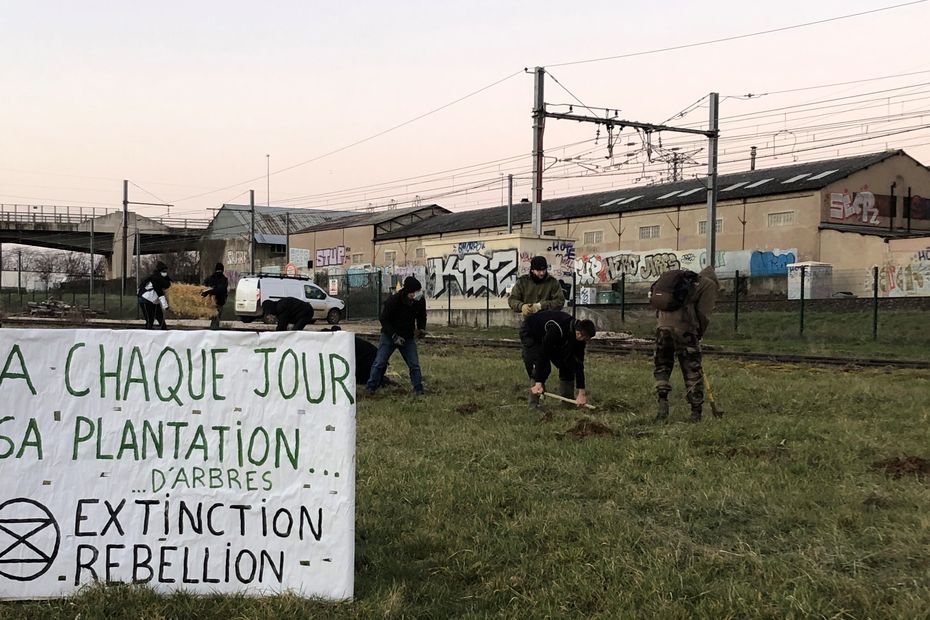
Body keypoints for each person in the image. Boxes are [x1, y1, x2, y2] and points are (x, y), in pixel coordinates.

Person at [653, 266, 719, 423]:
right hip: (684, 328)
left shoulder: (680, 282)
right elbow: (704, 314)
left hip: (662, 326)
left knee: (662, 365)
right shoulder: (708, 285)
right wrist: (698, 334)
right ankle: (696, 412)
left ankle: (662, 403)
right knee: (692, 369)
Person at [508, 256, 566, 406]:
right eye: (538, 270)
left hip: (549, 326)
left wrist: (541, 306)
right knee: (529, 359)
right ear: (532, 270)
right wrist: (521, 306)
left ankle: (563, 391)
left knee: (557, 359)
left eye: (543, 270)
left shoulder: (552, 283)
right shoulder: (523, 282)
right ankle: (538, 384)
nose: (541, 273)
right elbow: (512, 299)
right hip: (530, 327)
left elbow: (560, 301)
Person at [522, 310, 596, 408]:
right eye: (586, 339)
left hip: (550, 338)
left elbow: (579, 364)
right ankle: (534, 402)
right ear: (579, 334)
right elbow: (543, 354)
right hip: (531, 332)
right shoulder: (556, 329)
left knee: (567, 364)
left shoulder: (578, 339)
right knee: (544, 367)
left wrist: (581, 393)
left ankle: (568, 404)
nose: (586, 342)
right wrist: (539, 382)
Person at [366, 276, 427, 396]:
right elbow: (383, 318)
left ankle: (418, 389)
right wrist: (394, 336)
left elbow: (421, 315)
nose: (416, 295)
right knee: (379, 362)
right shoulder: (394, 300)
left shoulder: (419, 301)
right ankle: (370, 388)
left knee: (414, 364)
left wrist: (421, 328)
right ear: (408, 291)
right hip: (389, 336)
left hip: (407, 337)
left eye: (418, 292)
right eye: (414, 292)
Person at [325, 326, 393, 388]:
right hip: (376, 365)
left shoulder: (344, 344)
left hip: (372, 366)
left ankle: (378, 380)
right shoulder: (346, 340)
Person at [138, 261, 171, 330]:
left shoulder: (163, 280)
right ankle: (148, 334)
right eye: (163, 271)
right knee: (150, 320)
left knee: (161, 319)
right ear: (160, 272)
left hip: (155, 301)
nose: (165, 273)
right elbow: (160, 293)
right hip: (146, 300)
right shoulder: (155, 280)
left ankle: (164, 333)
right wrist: (165, 306)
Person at [201, 262, 229, 329]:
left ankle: (212, 330)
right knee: (216, 319)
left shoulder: (210, 278)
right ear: (222, 269)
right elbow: (221, 290)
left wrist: (208, 292)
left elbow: (204, 287)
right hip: (220, 301)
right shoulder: (224, 279)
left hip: (210, 301)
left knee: (214, 318)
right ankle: (214, 332)